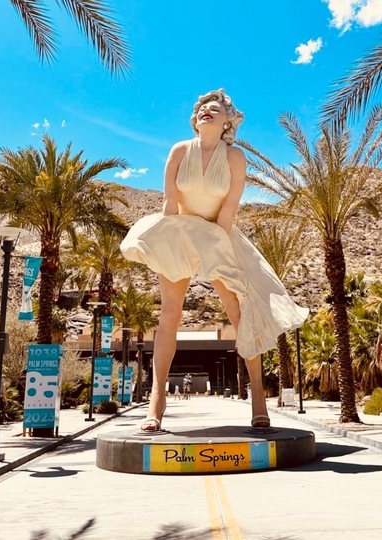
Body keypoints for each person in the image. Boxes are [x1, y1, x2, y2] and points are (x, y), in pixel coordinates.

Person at [120, 88, 309, 432]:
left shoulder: (235, 157)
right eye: (203, 107)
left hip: (219, 234)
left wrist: (213, 252)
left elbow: (229, 211)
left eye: (215, 109)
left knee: (240, 312)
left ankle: (258, 398)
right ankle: (157, 398)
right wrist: (166, 245)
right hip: (179, 230)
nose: (207, 111)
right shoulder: (179, 150)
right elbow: (169, 205)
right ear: (196, 118)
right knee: (169, 314)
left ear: (227, 123)